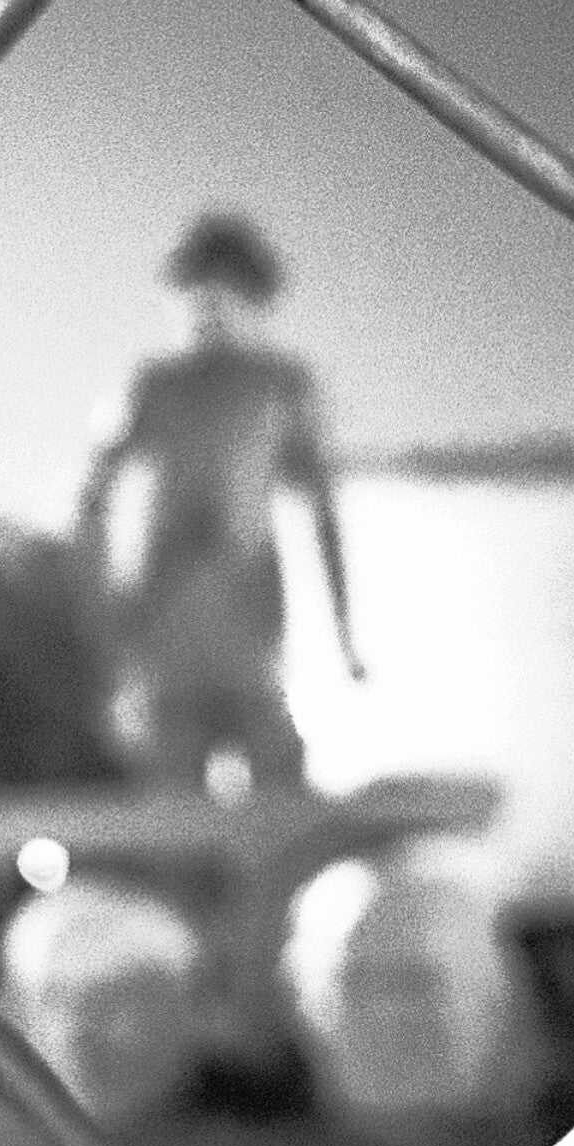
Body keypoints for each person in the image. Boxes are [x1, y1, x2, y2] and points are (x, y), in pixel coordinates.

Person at [77, 214, 363, 793]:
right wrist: (107, 620)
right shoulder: (154, 386)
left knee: (278, 778)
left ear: (254, 300)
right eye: (195, 291)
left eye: (224, 291)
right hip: (167, 624)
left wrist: (344, 634)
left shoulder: (280, 387)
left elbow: (322, 512)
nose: (207, 307)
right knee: (172, 788)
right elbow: (93, 502)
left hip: (251, 622)